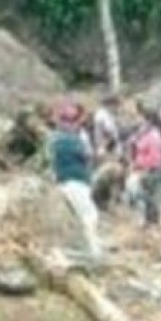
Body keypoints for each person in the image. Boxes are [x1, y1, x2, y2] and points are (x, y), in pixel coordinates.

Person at [49, 101, 102, 264]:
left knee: (77, 218)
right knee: (90, 216)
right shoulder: (71, 140)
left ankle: (79, 251)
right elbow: (88, 156)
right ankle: (92, 253)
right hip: (75, 183)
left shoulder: (55, 139)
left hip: (63, 182)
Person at [131, 109, 161, 226]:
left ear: (149, 122)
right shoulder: (145, 135)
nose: (140, 123)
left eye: (142, 121)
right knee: (145, 195)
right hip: (142, 168)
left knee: (150, 196)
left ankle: (152, 221)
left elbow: (154, 157)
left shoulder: (154, 136)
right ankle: (148, 221)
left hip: (150, 169)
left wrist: (145, 168)